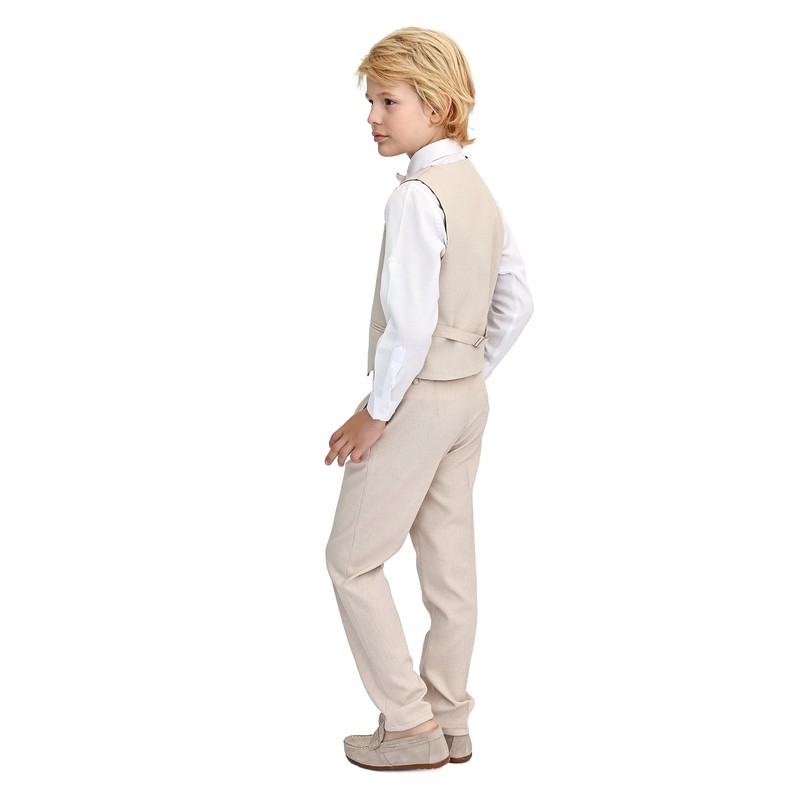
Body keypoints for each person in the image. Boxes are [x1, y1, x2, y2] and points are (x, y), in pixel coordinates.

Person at [323, 27, 534, 771]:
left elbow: (409, 328)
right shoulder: (477, 189)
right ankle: (450, 717)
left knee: (351, 561)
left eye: (389, 101)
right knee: (449, 565)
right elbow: (518, 301)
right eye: (371, 101)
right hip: (467, 399)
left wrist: (376, 411)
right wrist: (467, 369)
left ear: (439, 106)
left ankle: (410, 724)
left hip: (415, 400)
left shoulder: (416, 197)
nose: (372, 117)